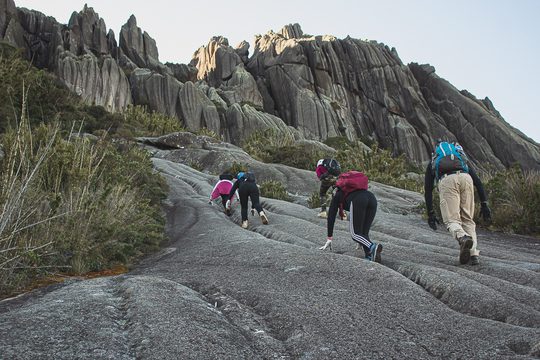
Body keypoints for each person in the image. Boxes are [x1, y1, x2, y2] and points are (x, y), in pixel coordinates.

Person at [424, 140, 492, 265]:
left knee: (452, 220)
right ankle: (473, 254)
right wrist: (484, 203)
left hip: (447, 181)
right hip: (466, 179)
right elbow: (477, 181)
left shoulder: (434, 161)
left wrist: (431, 213)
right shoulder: (460, 158)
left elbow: (428, 190)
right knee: (468, 220)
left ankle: (462, 237)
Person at [320, 171, 382, 263]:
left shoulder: (338, 194)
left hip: (358, 200)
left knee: (355, 234)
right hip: (371, 198)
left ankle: (373, 246)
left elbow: (331, 216)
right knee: (363, 234)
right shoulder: (348, 189)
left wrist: (329, 238)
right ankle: (369, 256)